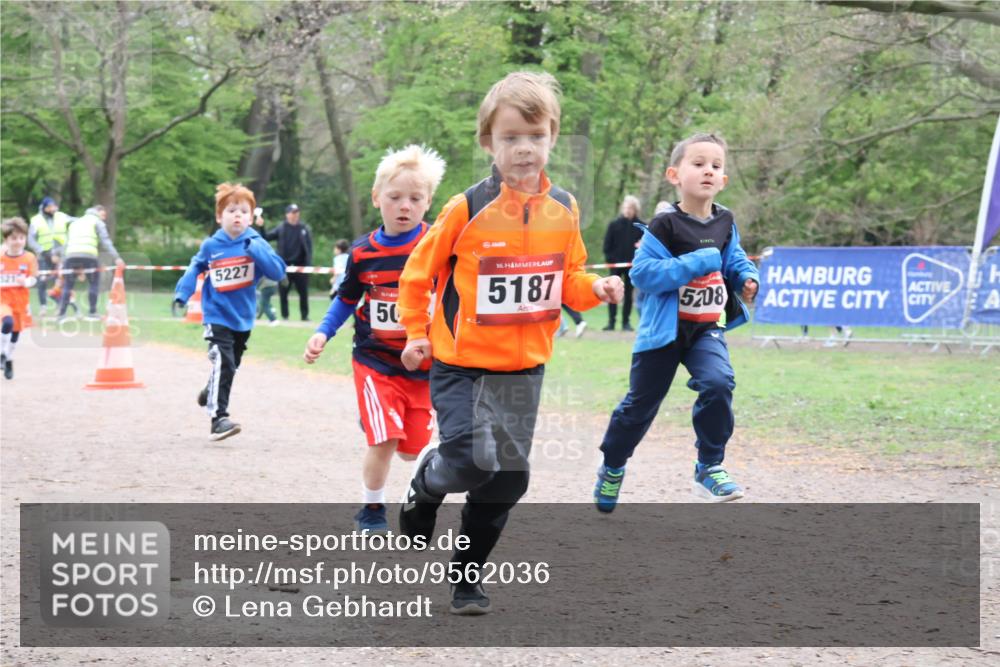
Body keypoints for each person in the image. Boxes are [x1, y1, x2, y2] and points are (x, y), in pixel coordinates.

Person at [396, 71, 624, 615]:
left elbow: (568, 279)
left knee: (509, 479)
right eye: (510, 137)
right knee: (473, 461)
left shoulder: (563, 209)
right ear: (488, 143)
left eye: (536, 136)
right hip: (461, 367)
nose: (524, 148)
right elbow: (416, 275)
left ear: (552, 137)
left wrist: (597, 288)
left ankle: (467, 577)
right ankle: (426, 486)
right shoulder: (466, 208)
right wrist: (413, 334)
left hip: (524, 372)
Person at [593, 133, 759, 511]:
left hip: (705, 328)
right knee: (638, 409)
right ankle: (613, 466)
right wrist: (697, 263)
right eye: (698, 163)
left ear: (724, 180)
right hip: (662, 334)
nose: (708, 171)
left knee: (719, 383)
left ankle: (709, 466)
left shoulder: (725, 221)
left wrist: (748, 279)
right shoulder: (664, 225)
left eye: (716, 166)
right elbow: (643, 274)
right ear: (674, 174)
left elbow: (734, 260)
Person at [304, 145, 446, 534]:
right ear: (376, 198)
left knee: (414, 451)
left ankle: (380, 420)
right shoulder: (363, 252)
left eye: (415, 199)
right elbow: (346, 298)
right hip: (376, 361)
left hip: (425, 365)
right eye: (395, 197)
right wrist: (322, 332)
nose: (405, 206)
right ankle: (371, 510)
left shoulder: (437, 246)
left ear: (428, 202)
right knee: (383, 439)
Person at [174, 183, 287, 441]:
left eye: (244, 211)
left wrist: (255, 249)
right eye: (231, 210)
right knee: (223, 361)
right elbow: (195, 268)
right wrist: (183, 292)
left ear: (251, 217)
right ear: (219, 216)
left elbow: (278, 272)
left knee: (230, 365)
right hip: (216, 314)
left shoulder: (257, 243)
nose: (238, 215)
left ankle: (210, 390)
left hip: (243, 317)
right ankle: (218, 419)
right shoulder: (211, 245)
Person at [56, 205, 124, 322]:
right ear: (97, 212)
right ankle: (92, 312)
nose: (103, 218)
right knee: (93, 283)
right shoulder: (97, 222)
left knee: (68, 285)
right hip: (89, 255)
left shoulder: (75, 222)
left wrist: (62, 260)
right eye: (102, 215)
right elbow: (105, 241)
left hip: (71, 255)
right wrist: (117, 257)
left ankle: (61, 314)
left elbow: (66, 243)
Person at [256, 203, 313, 321]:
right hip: (284, 266)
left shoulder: (304, 228)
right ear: (287, 214)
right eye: (293, 212)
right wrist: (261, 226)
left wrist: (308, 263)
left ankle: (304, 316)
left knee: (303, 293)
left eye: (297, 212)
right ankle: (285, 316)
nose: (295, 215)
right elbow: (265, 237)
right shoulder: (281, 228)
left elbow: (309, 247)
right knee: (283, 293)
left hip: (301, 266)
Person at [1, 218, 39, 380]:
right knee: (7, 322)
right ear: (6, 240)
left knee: (15, 333)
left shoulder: (29, 258)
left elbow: (34, 278)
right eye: (14, 238)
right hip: (3, 300)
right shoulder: (1, 257)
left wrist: (27, 282)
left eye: (21, 238)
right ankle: (2, 353)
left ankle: (8, 358)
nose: (18, 242)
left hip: (20, 301)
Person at [602, 195, 644, 331]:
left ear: (635, 210)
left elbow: (644, 247)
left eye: (631, 208)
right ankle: (611, 322)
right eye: (626, 207)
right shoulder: (614, 225)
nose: (628, 210)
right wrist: (611, 260)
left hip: (633, 266)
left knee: (628, 294)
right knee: (612, 293)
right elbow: (607, 246)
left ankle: (626, 322)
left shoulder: (640, 227)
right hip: (615, 266)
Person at [28, 196, 69, 316]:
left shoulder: (61, 216)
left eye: (54, 206)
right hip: (43, 255)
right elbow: (30, 240)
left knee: (60, 280)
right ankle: (43, 307)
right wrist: (40, 250)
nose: (53, 209)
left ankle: (59, 306)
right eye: (50, 207)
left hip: (59, 254)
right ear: (44, 208)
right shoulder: (36, 220)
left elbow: (76, 221)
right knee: (42, 281)